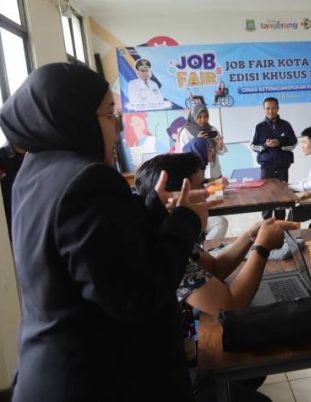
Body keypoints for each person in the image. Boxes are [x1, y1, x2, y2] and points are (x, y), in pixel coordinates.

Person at [0, 63, 209, 402]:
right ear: (75, 118)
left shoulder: (34, 171)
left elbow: (100, 253)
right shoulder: (88, 180)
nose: (119, 129)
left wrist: (154, 210)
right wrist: (187, 220)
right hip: (98, 377)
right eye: (110, 115)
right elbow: (137, 294)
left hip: (51, 368)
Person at [135, 152, 294, 402]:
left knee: (252, 367)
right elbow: (231, 305)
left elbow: (216, 268)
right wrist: (262, 248)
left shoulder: (173, 233)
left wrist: (249, 236)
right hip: (172, 376)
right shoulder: (164, 251)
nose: (207, 195)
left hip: (181, 354)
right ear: (175, 197)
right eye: (201, 188)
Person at [250, 97, 297, 220]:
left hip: (282, 167)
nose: (271, 111)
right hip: (266, 167)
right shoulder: (259, 127)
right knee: (266, 197)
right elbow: (253, 146)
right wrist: (266, 145)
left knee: (281, 197)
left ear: (278, 108)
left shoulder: (286, 125)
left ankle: (280, 224)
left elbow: (294, 144)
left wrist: (279, 143)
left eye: (273, 108)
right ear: (264, 109)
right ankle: (266, 223)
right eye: (268, 108)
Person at [182, 137, 229, 240]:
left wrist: (214, 182)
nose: (212, 151)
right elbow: (195, 191)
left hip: (192, 210)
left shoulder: (197, 166)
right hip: (186, 214)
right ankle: (205, 248)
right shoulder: (191, 170)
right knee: (220, 223)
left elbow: (201, 184)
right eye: (209, 149)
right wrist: (214, 184)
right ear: (200, 151)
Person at [177, 103, 226, 178]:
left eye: (205, 117)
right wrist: (197, 141)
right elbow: (184, 155)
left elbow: (220, 152)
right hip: (197, 173)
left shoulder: (212, 129)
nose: (203, 120)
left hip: (215, 172)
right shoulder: (186, 132)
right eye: (199, 117)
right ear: (193, 116)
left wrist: (220, 145)